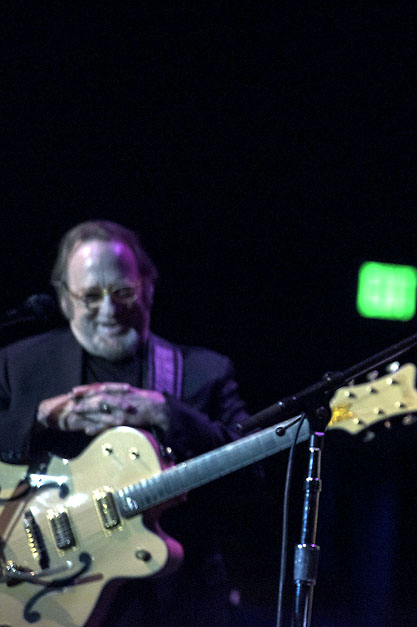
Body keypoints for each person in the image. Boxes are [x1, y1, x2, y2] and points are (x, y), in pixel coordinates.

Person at [0, 220, 250, 626]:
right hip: (43, 596)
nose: (108, 309)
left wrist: (168, 414)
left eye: (123, 292)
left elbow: (254, 473)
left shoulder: (203, 373)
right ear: (64, 299)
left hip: (172, 602)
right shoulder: (20, 364)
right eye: (90, 295)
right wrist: (38, 419)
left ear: (147, 289)